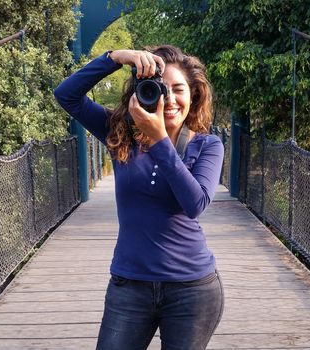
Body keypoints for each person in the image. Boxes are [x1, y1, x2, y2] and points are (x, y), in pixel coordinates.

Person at [54, 45, 224, 350]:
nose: (170, 100)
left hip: (192, 290)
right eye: (161, 90)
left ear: (194, 95)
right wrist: (116, 58)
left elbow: (195, 203)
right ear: (143, 93)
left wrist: (159, 139)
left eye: (179, 89)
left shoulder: (208, 145)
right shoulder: (120, 134)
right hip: (129, 285)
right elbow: (66, 95)